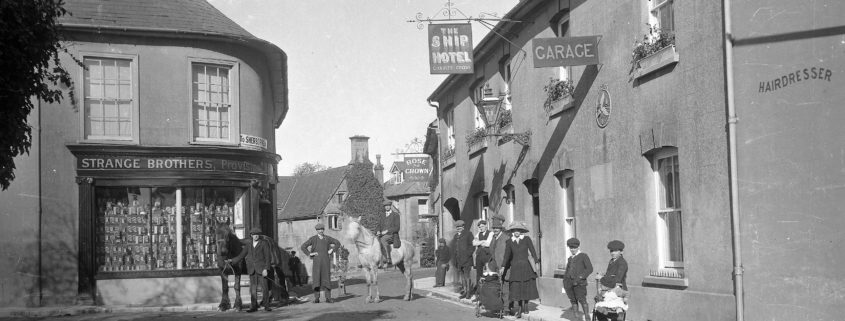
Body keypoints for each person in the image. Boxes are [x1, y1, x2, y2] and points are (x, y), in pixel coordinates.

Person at [499, 221, 540, 319]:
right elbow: (506, 256)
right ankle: (520, 307)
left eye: (518, 230)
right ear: (512, 231)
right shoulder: (509, 241)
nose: (516, 232)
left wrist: (536, 262)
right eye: (514, 230)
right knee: (517, 287)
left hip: (526, 266)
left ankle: (525, 304)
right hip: (515, 268)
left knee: (525, 285)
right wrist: (503, 266)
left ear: (521, 231)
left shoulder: (526, 239)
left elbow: (533, 251)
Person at [229, 227, 273, 312]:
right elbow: (241, 255)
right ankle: (253, 306)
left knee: (265, 287)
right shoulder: (248, 245)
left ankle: (267, 305)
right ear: (251, 235)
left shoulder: (264, 243)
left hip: (261, 269)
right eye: (254, 234)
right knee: (253, 288)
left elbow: (268, 257)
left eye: (257, 234)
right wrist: (232, 260)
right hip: (251, 269)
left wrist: (266, 269)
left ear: (259, 235)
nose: (255, 236)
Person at [300, 223, 341, 303]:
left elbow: (337, 243)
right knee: (316, 279)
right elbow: (303, 246)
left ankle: (328, 298)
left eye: (322, 229)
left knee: (327, 279)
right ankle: (316, 298)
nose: (321, 231)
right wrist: (310, 253)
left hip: (326, 261)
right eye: (319, 230)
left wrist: (331, 250)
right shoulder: (313, 239)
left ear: (323, 230)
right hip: (317, 262)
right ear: (317, 231)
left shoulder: (327, 238)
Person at [563, 237, 593, 321]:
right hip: (569, 283)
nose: (572, 249)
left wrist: (580, 277)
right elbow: (567, 271)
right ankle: (576, 318)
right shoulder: (570, 258)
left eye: (574, 248)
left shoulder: (583, 256)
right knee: (573, 300)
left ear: (578, 247)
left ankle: (587, 317)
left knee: (582, 300)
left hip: (580, 283)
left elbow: (590, 269)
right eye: (571, 248)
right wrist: (565, 281)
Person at [489, 215, 511, 311]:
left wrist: (503, 266)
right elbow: (491, 252)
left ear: (501, 228)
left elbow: (508, 254)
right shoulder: (494, 237)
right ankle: (499, 306)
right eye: (494, 228)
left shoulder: (506, 237)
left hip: (505, 267)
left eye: (497, 228)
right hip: (495, 267)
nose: (495, 230)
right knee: (498, 288)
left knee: (505, 288)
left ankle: (506, 308)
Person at [450, 219, 474, 299]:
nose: (458, 228)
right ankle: (464, 291)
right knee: (462, 276)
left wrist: (468, 254)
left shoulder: (468, 234)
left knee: (467, 276)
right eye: (457, 227)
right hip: (458, 260)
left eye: (460, 226)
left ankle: (468, 292)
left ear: (463, 226)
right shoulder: (455, 236)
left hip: (466, 259)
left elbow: (472, 246)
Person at [378, 199, 401, 268]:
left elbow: (397, 228)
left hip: (392, 235)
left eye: (388, 206)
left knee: (383, 240)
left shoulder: (395, 215)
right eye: (385, 206)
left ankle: (388, 259)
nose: (387, 207)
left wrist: (387, 231)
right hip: (382, 234)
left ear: (390, 206)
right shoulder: (382, 215)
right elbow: (378, 225)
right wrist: (378, 231)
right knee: (374, 241)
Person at [472, 220, 493, 289]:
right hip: (479, 256)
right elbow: (474, 243)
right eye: (480, 227)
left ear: (486, 226)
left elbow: (488, 243)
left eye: (482, 226)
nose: (481, 228)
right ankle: (479, 291)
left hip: (487, 255)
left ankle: (488, 290)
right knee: (479, 274)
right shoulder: (478, 234)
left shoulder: (491, 233)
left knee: (488, 272)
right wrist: (482, 241)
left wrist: (479, 242)